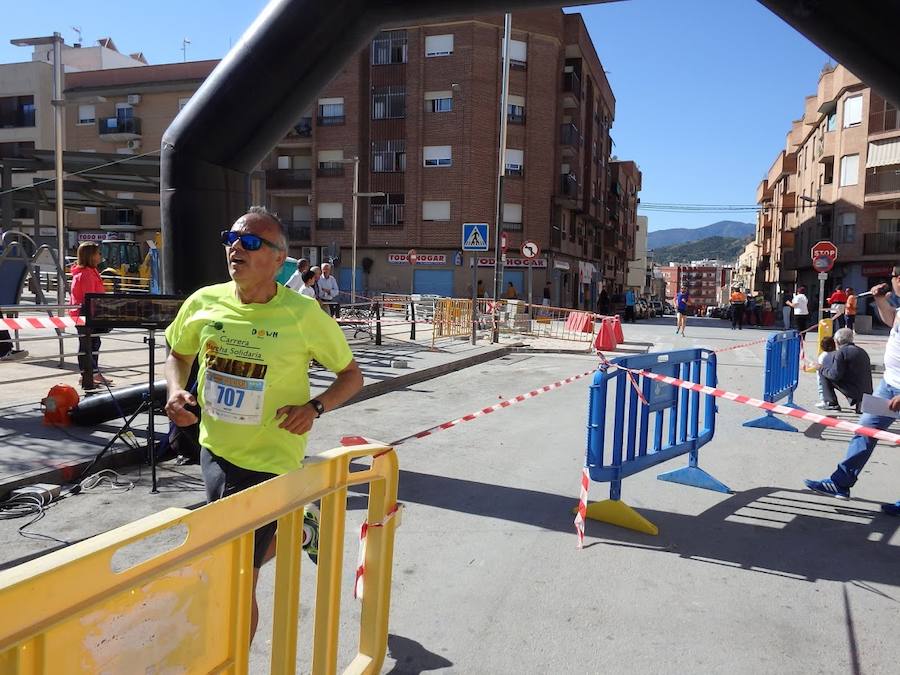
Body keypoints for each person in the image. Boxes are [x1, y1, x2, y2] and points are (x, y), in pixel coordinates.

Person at [163, 206, 364, 640]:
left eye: (251, 242)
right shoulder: (204, 302)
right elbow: (177, 354)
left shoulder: (303, 315)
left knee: (236, 576)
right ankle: (299, 530)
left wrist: (315, 408)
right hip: (214, 451)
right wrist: (174, 390)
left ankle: (233, 659)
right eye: (230, 238)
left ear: (279, 259)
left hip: (272, 460)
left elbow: (352, 376)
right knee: (236, 554)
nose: (236, 247)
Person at [804, 269, 900, 516]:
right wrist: (880, 300)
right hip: (889, 385)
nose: (891, 281)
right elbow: (891, 321)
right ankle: (840, 482)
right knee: (864, 432)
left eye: (894, 277)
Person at [69, 241, 111, 389]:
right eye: (98, 253)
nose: (100, 256)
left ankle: (92, 373)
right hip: (87, 314)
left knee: (93, 343)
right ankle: (87, 375)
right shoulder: (86, 274)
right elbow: (90, 297)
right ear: (91, 256)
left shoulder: (89, 272)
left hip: (89, 313)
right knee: (88, 344)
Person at [814, 327, 872, 412]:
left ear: (837, 341)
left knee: (824, 372)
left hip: (854, 390)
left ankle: (831, 403)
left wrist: (820, 368)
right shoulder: (862, 351)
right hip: (866, 391)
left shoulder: (841, 353)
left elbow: (835, 375)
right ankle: (860, 403)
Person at [815, 336, 837, 407]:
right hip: (834, 374)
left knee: (822, 387)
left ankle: (824, 401)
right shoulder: (836, 353)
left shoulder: (823, 356)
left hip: (824, 374)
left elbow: (819, 367)